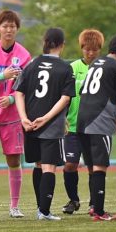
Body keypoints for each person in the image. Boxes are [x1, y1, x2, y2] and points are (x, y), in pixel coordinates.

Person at [14, 28, 75, 221]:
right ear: (62, 45)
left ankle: (40, 208)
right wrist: (48, 118)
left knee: (38, 165)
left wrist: (23, 117)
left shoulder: (32, 64)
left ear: (45, 42)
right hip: (50, 126)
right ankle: (44, 211)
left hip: (30, 124)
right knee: (49, 167)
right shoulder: (65, 68)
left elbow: (18, 92)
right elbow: (65, 98)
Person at [76, 34, 116, 221]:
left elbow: (85, 91)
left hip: (82, 120)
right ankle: (100, 212)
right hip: (99, 122)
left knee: (92, 167)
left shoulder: (96, 63)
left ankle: (95, 206)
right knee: (100, 166)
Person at [0, 9, 32, 218]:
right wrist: (2, 76)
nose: (9, 30)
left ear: (17, 29)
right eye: (5, 26)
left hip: (12, 118)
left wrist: (11, 98)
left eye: (12, 26)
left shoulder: (24, 54)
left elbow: (27, 85)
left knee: (13, 160)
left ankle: (14, 207)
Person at [61, 29, 103, 215]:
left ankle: (94, 203)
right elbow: (64, 96)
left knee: (94, 166)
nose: (90, 53)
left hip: (95, 126)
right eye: (87, 49)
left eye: (94, 49)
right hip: (73, 125)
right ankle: (73, 199)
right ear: (81, 48)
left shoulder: (103, 68)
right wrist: (62, 118)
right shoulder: (72, 68)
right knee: (70, 164)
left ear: (100, 50)